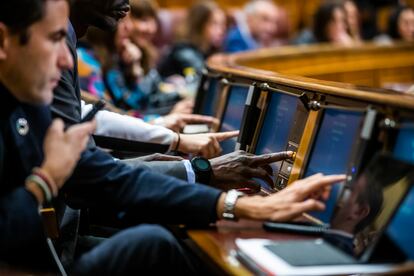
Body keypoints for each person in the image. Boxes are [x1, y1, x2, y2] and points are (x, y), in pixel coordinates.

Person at [0, 0, 346, 273]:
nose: (65, 60)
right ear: (5, 41)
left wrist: (180, 151)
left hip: (58, 241)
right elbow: (86, 174)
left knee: (164, 240)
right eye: (56, 38)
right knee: (160, 243)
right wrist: (46, 180)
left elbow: (92, 143)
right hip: (53, 251)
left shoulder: (23, 98)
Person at [157, 0, 227, 79]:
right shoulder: (183, 49)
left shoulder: (210, 50)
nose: (222, 30)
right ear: (199, 24)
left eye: (223, 24)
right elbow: (202, 77)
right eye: (214, 23)